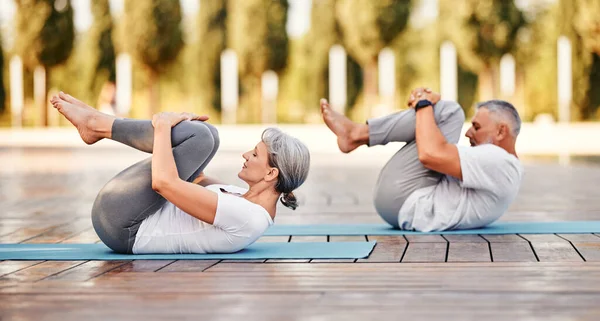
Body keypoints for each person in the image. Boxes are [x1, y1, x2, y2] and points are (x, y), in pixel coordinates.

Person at [50, 92, 310, 254]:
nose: (245, 155)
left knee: (199, 138)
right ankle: (97, 122)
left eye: (254, 154)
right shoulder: (243, 199)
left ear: (270, 174)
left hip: (123, 228)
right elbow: (195, 177)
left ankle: (96, 124)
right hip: (128, 216)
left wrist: (163, 126)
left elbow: (163, 183)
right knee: (209, 136)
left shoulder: (246, 216)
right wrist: (189, 133)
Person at [320, 88, 523, 231]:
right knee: (439, 114)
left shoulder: (500, 161)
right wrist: (423, 107)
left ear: (501, 131)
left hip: (406, 200)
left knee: (450, 112)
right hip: (403, 204)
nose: (468, 133)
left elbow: (429, 154)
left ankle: (356, 134)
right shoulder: (502, 167)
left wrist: (424, 103)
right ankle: (357, 134)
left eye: (477, 127)